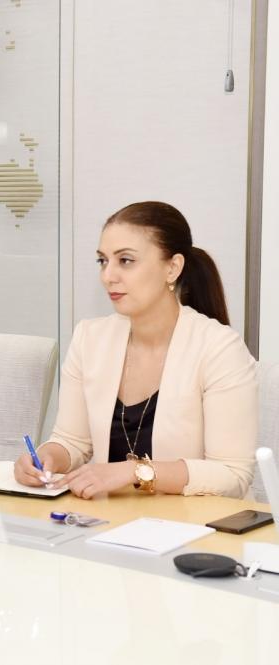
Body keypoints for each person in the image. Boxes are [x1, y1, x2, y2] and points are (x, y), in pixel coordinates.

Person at [14, 201, 257, 499]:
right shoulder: (90, 338)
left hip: (190, 522)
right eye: (103, 261)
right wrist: (47, 457)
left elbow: (232, 474)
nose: (108, 276)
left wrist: (134, 472)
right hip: (109, 519)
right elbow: (72, 441)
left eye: (125, 260)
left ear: (172, 268)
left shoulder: (220, 349)